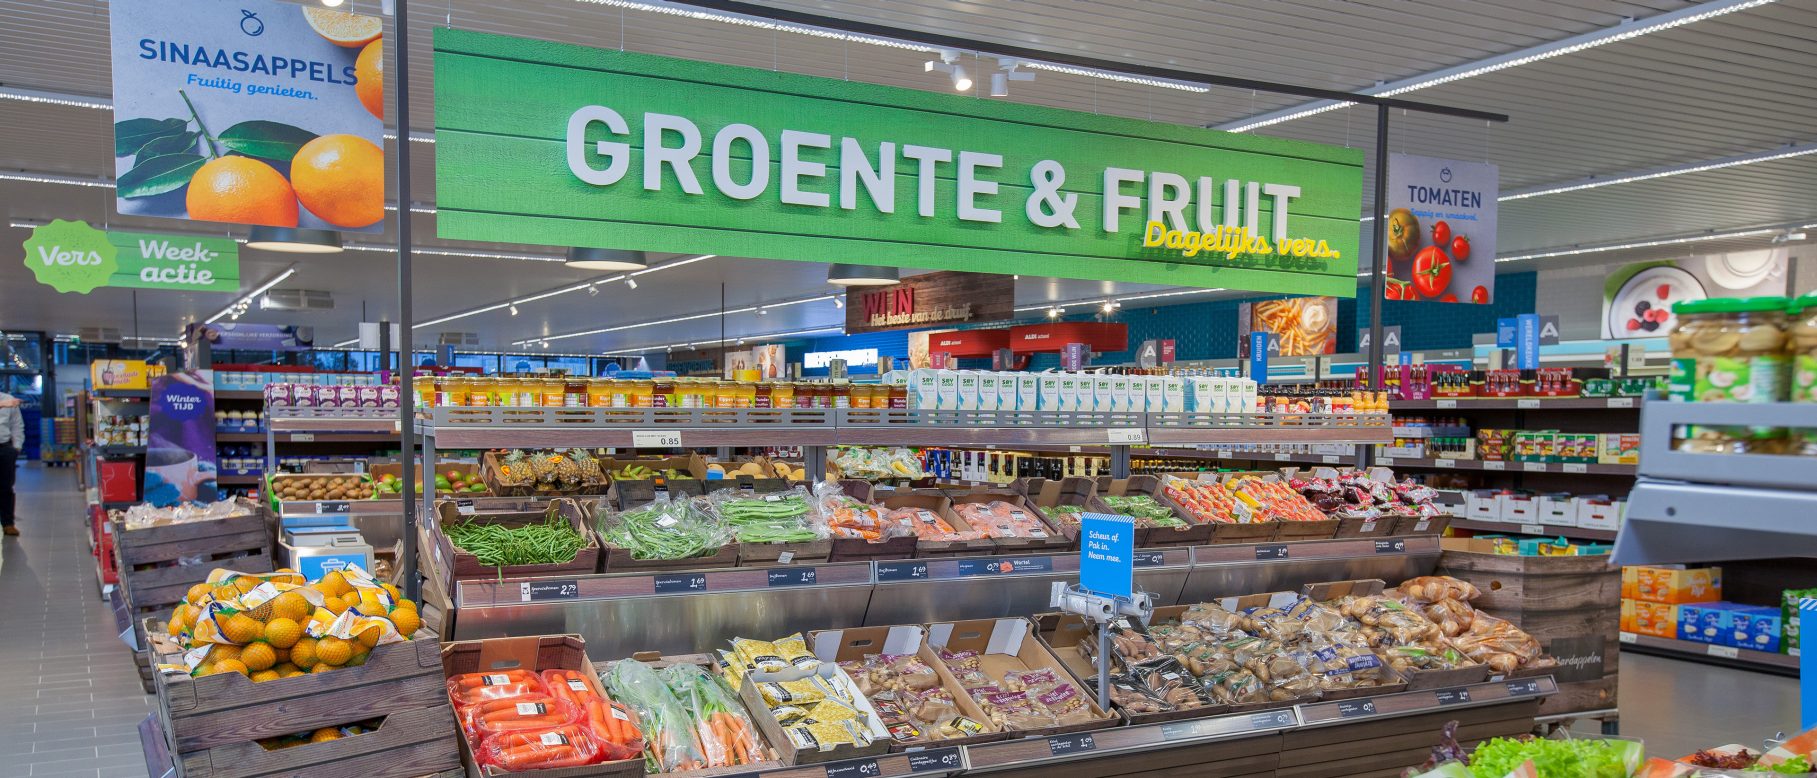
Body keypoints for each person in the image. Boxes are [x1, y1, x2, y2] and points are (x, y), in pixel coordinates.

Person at [0, 393, 19, 537]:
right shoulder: (6, 402)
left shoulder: (8, 399)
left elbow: (17, 425)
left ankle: (8, 523)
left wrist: (16, 447)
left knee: (6, 487)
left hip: (5, 448)